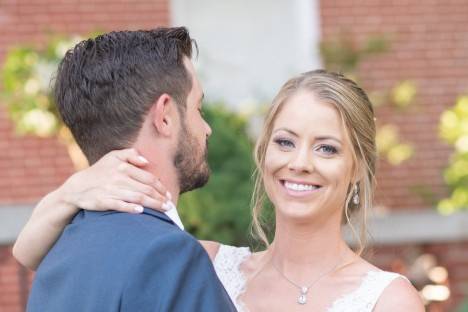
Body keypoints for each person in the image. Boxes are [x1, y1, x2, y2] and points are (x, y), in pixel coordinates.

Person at [14, 70, 425, 311]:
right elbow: (37, 255)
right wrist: (70, 193)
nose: (300, 161)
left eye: (327, 148)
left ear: (357, 169)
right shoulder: (204, 262)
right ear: (264, 153)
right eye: (285, 141)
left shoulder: (388, 299)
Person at [21, 27, 236, 312]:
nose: (206, 129)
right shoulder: (170, 255)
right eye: (198, 108)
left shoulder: (57, 253)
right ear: (165, 117)